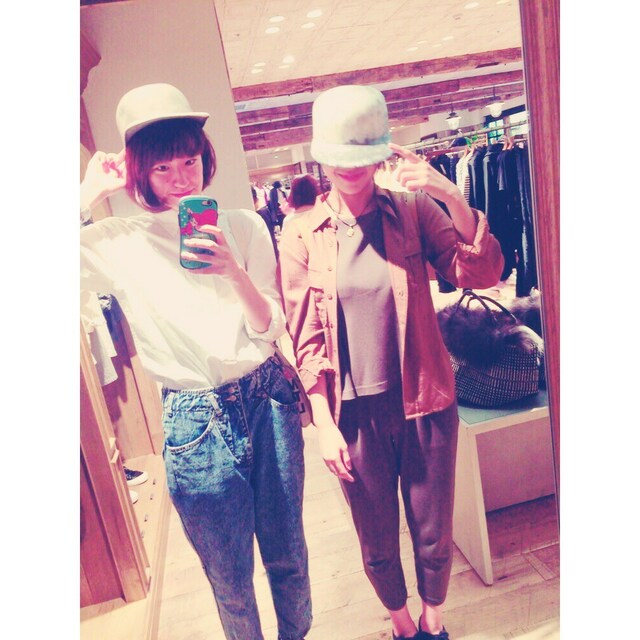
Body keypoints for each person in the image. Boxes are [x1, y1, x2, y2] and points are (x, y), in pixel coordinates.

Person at [80, 83, 311, 640]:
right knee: (229, 579)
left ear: (206, 157)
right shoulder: (117, 241)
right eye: (163, 168)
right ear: (139, 174)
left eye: (189, 161)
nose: (182, 178)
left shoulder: (246, 225)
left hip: (267, 399)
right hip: (194, 420)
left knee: (288, 557)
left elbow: (269, 327)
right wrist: (85, 194)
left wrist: (233, 272)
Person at [278, 85, 504, 640]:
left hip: (425, 398)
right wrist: (323, 424)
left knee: (433, 531)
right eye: (339, 155)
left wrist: (450, 195)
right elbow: (306, 338)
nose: (350, 168)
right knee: (376, 539)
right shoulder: (301, 233)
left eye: (362, 154)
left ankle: (433, 622)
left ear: (381, 151)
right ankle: (402, 627)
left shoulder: (411, 210)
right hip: (354, 416)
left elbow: (479, 273)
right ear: (321, 155)